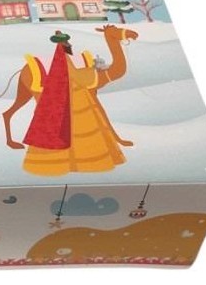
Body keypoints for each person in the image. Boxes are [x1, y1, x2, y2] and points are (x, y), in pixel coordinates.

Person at [23, 28, 135, 176]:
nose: (69, 45)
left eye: (68, 42)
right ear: (62, 45)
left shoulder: (64, 58)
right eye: (66, 43)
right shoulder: (63, 59)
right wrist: (92, 72)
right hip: (67, 96)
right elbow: (74, 75)